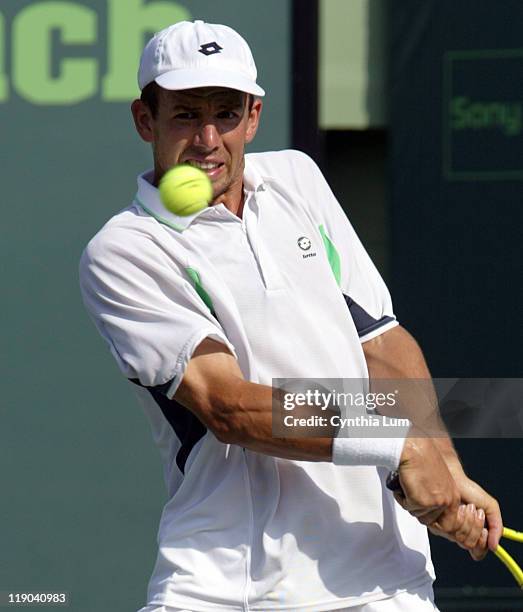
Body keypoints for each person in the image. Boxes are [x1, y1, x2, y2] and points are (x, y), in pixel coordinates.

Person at [79, 20, 502, 612]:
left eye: (226, 114)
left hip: (385, 583)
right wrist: (397, 443)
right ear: (144, 120)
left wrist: (442, 465)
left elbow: (381, 341)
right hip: (227, 588)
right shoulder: (125, 250)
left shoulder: (298, 179)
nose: (207, 137)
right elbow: (230, 406)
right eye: (185, 114)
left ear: (253, 117)